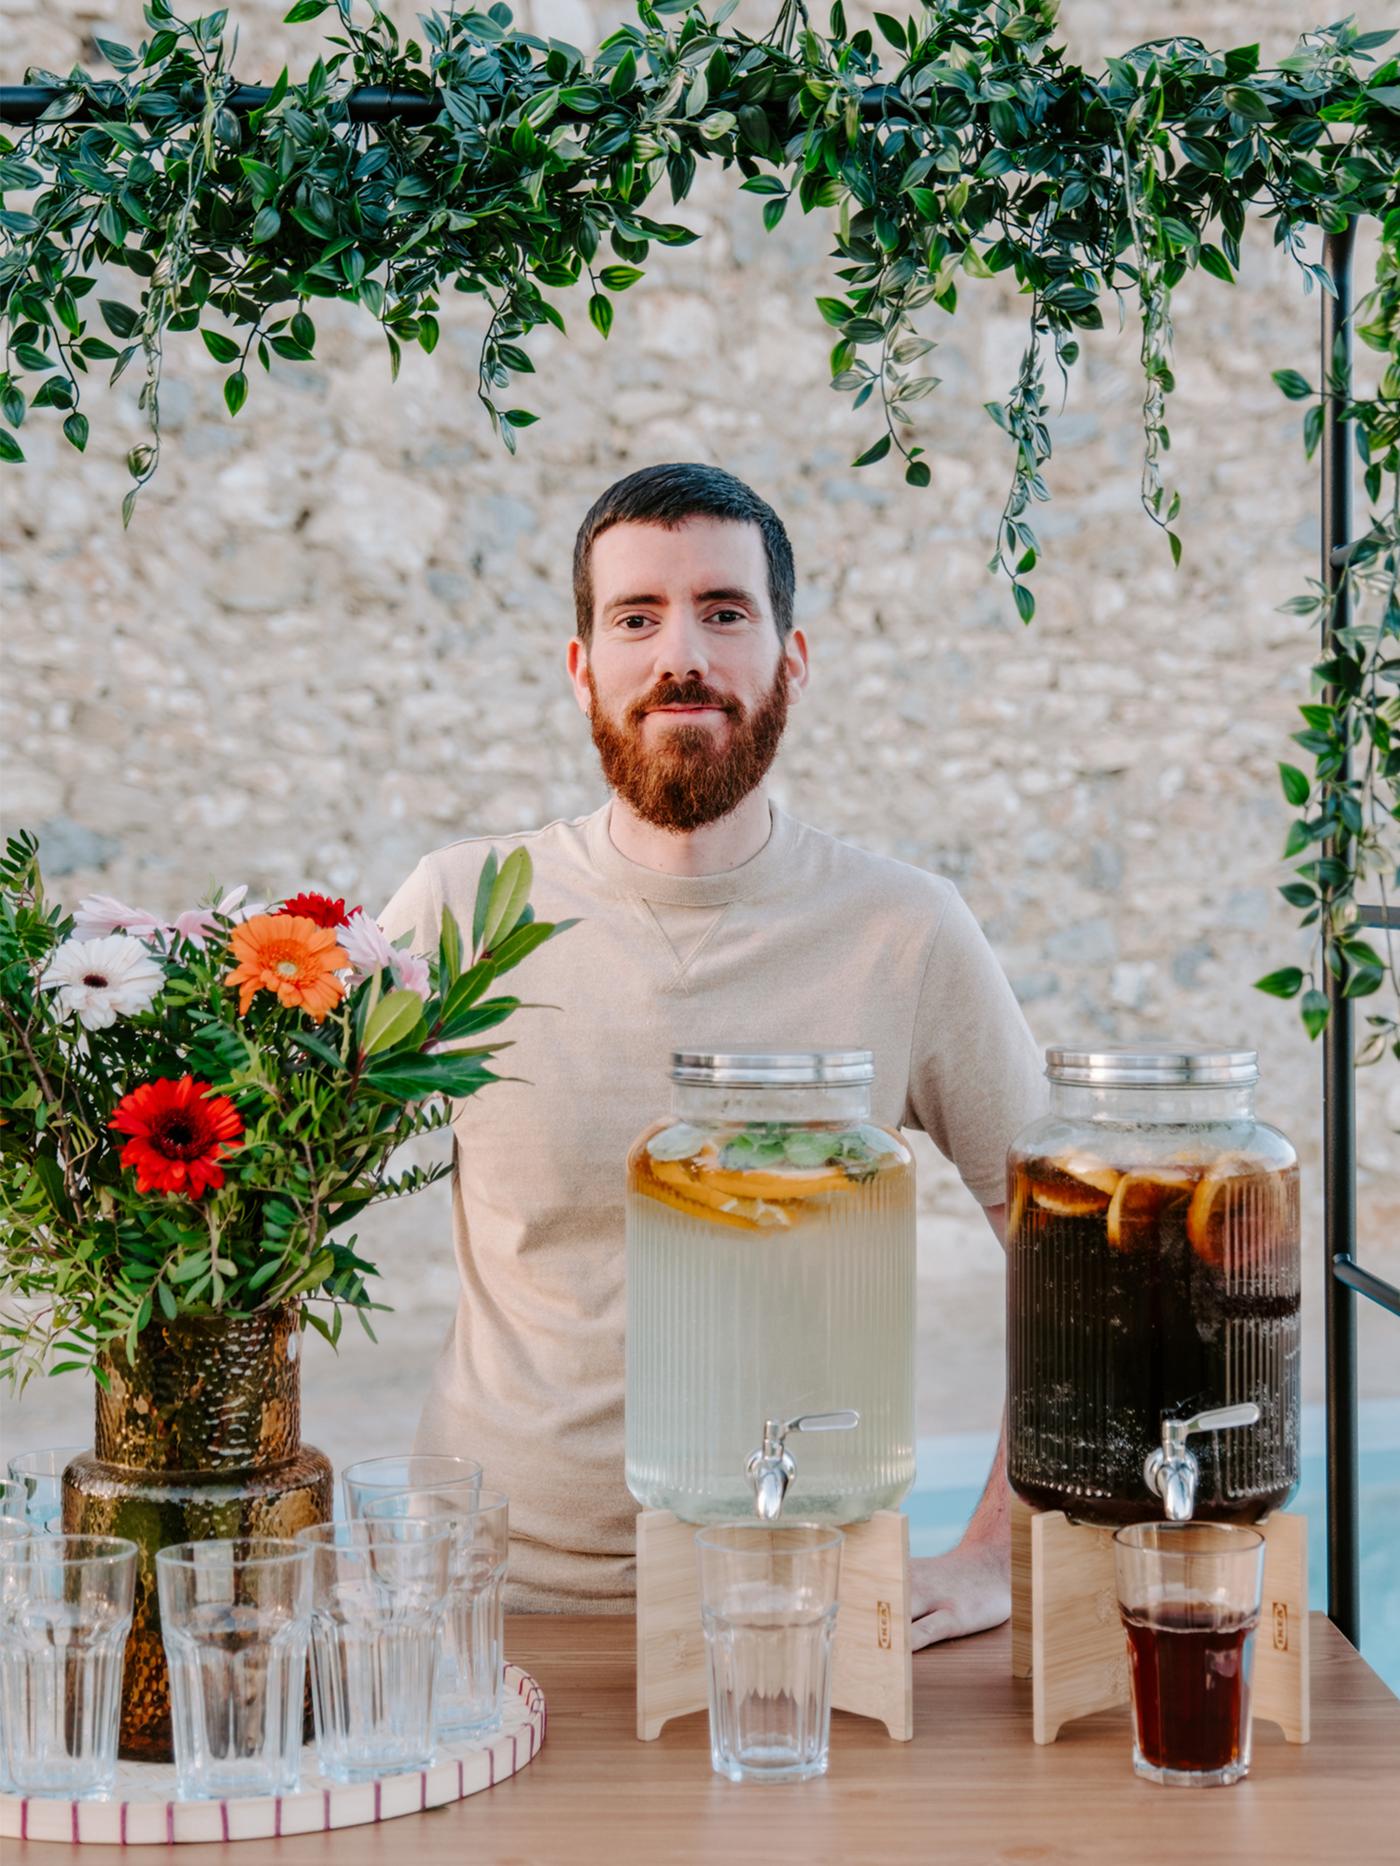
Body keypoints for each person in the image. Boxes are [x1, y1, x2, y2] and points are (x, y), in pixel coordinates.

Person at [378, 462, 1049, 1644]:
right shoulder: (452, 913)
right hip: (489, 1606)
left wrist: (1001, 1547)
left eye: (722, 612)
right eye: (635, 617)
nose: (678, 652)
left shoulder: (904, 930)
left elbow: (1071, 1243)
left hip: (805, 1613)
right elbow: (259, 1187)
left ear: (792, 659)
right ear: (582, 668)